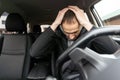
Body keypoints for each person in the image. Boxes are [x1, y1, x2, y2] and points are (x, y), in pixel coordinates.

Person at [30, 6, 120, 79]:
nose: (71, 36)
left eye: (75, 32)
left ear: (81, 25)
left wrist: (87, 23)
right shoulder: (56, 36)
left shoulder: (89, 34)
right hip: (64, 76)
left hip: (88, 75)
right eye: (67, 32)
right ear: (61, 27)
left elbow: (114, 51)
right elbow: (34, 53)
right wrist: (55, 23)